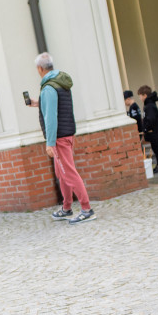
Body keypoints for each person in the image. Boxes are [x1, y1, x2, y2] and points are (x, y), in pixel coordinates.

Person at [30, 52, 95, 224]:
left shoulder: (49, 87)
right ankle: (66, 207)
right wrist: (38, 102)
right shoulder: (59, 82)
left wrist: (50, 143)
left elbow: (51, 117)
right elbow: (56, 105)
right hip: (67, 133)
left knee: (69, 173)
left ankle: (87, 209)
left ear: (39, 68)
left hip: (58, 137)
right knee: (62, 172)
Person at [138, 85, 158, 172]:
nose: (140, 98)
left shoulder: (149, 106)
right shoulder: (149, 105)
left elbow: (150, 119)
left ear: (144, 95)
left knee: (157, 148)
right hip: (155, 130)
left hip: (154, 131)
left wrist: (146, 128)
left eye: (140, 96)